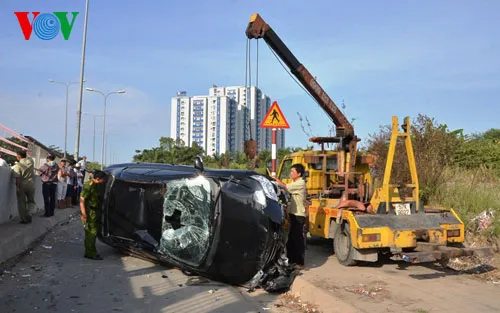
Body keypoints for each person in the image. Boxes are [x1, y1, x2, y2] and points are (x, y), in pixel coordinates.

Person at [276, 163, 307, 268]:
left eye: (292, 172)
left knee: (297, 238)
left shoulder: (300, 183)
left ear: (299, 174)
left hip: (298, 214)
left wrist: (275, 179)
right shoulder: (295, 182)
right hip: (292, 214)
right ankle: (291, 261)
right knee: (291, 239)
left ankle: (299, 262)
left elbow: (285, 187)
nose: (291, 173)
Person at [80, 170, 106, 260]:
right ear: (98, 179)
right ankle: (90, 253)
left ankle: (90, 251)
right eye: (103, 179)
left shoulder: (95, 185)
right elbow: (82, 199)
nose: (104, 181)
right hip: (89, 212)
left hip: (93, 212)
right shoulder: (89, 185)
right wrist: (84, 214)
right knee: (91, 233)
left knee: (92, 233)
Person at [12, 149, 36, 224]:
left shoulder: (17, 166)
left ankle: (24, 219)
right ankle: (30, 213)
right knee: (31, 200)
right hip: (31, 182)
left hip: (22, 183)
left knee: (21, 202)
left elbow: (18, 178)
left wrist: (18, 187)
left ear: (18, 156)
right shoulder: (31, 161)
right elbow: (29, 157)